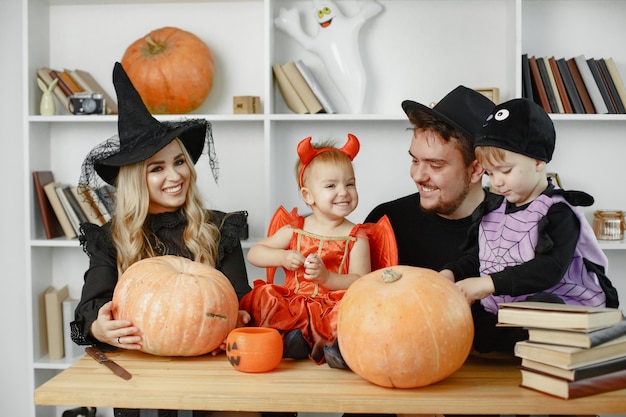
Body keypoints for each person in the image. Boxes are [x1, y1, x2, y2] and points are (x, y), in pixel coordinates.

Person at [70, 62, 255, 417]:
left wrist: (238, 321)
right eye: (157, 168)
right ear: (135, 179)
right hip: (141, 377)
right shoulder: (112, 239)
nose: (175, 175)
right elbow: (91, 306)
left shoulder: (218, 228)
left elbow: (240, 299)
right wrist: (101, 327)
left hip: (213, 374)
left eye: (179, 162)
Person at [440, 98, 619, 352]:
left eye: (505, 170)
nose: (498, 182)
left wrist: (489, 284)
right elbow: (481, 258)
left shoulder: (558, 211)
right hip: (510, 308)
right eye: (490, 173)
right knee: (466, 323)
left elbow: (550, 268)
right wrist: (451, 273)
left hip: (567, 306)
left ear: (538, 161)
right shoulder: (494, 208)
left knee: (543, 304)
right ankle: (502, 339)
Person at [240, 134, 382, 367]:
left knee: (350, 311)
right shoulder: (295, 229)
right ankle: (291, 340)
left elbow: (361, 280)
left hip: (331, 303)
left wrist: (328, 278)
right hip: (295, 301)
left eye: (350, 184)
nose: (344, 192)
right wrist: (282, 256)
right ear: (308, 195)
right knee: (266, 296)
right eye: (330, 186)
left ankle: (336, 349)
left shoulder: (356, 236)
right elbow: (255, 253)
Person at [365, 85, 494, 269]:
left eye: (435, 165)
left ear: (476, 170)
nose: (417, 176)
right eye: (415, 160)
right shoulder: (385, 222)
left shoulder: (518, 227)